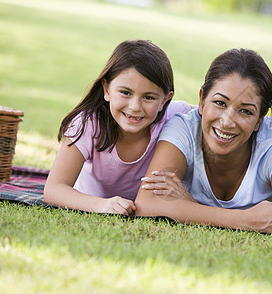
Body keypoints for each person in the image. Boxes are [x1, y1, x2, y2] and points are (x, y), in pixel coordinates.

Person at [135, 48, 272, 237]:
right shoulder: (184, 129)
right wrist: (248, 220)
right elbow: (146, 205)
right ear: (202, 100)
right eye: (220, 103)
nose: (227, 122)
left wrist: (189, 207)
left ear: (260, 120)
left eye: (245, 111)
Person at [44, 40, 192, 215]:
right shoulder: (88, 124)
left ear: (165, 100)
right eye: (126, 93)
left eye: (149, 97)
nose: (135, 106)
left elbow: (212, 115)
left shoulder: (176, 115)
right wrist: (101, 205)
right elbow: (53, 189)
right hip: (92, 200)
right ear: (107, 90)